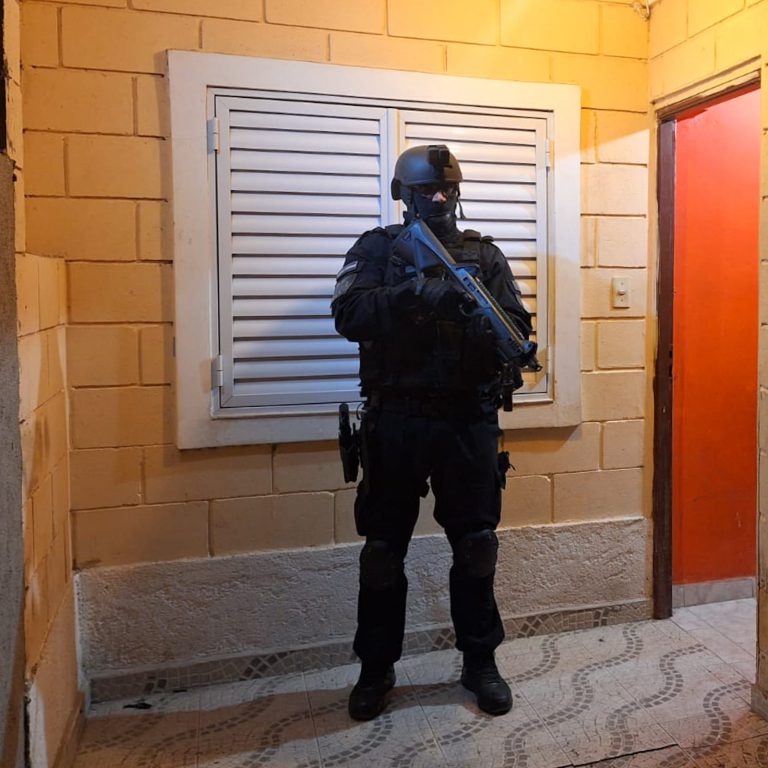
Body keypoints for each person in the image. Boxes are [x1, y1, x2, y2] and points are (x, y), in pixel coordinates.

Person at [331, 144, 532, 721]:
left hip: (466, 421)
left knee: (476, 546)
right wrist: (415, 294)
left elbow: (516, 327)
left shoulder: (483, 256)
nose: (439, 198)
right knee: (382, 552)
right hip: (395, 420)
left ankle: (479, 662)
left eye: (447, 190)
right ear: (404, 195)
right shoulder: (377, 249)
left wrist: (480, 321)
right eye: (427, 191)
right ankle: (376, 668)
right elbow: (348, 313)